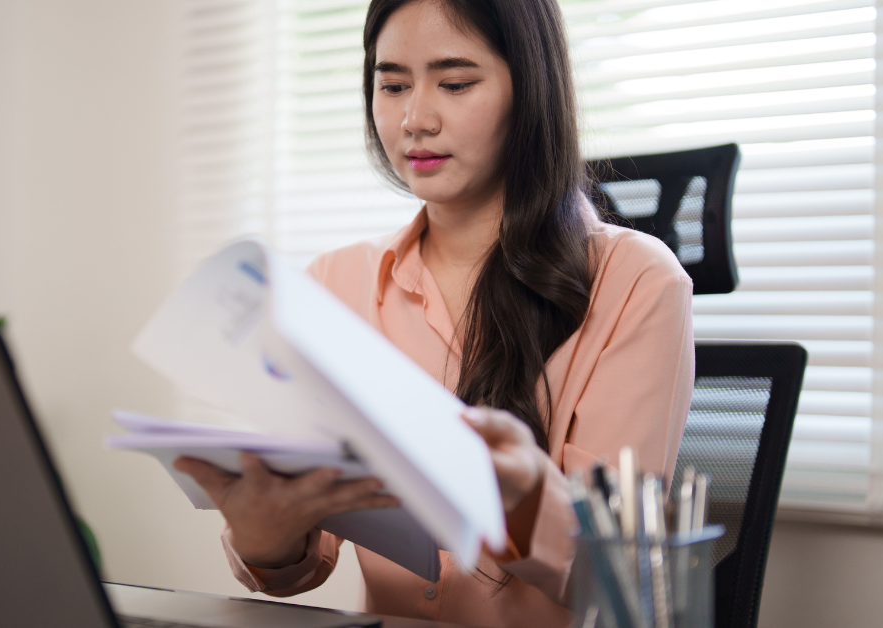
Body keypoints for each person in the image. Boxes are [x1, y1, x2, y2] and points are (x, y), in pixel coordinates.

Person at [173, 0, 694, 626]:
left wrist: (523, 499)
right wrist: (267, 539)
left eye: (455, 83)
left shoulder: (635, 281)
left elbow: (618, 582)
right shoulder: (334, 286)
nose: (414, 119)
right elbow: (305, 561)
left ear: (529, 92)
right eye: (392, 85)